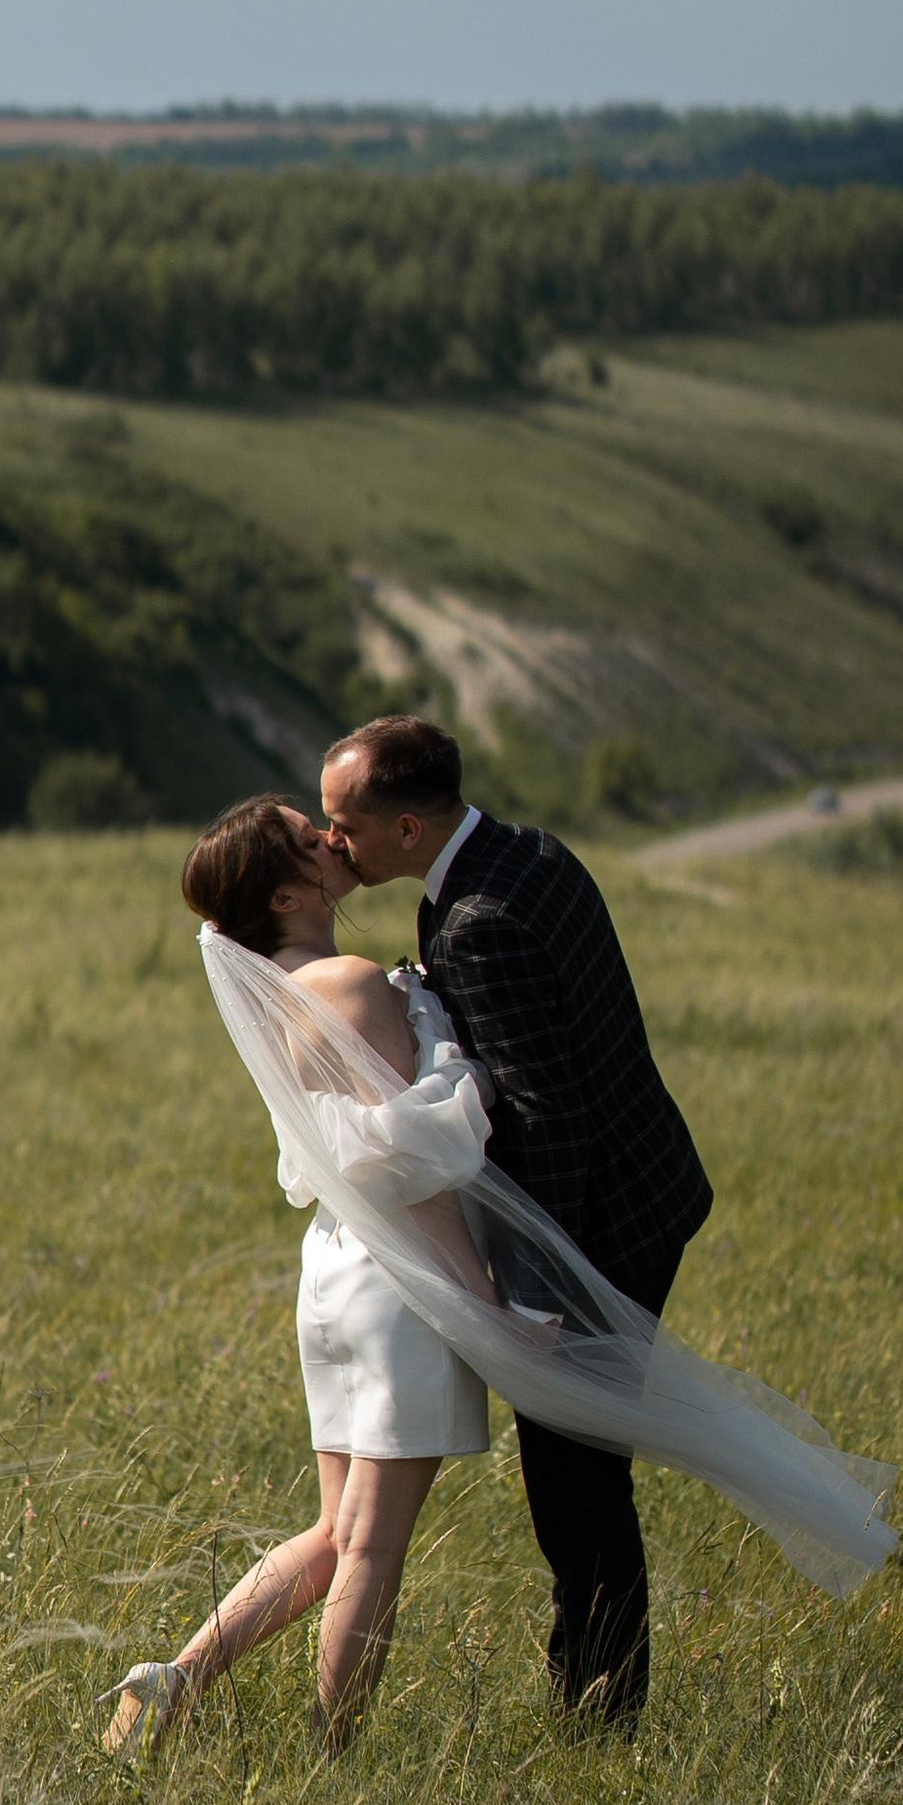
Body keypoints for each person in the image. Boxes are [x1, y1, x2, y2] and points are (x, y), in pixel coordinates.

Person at [317, 713, 708, 1729]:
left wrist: (540, 1302)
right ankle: (597, 1702)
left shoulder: (477, 921)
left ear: (407, 829)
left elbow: (548, 1121)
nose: (332, 842)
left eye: (344, 823)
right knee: (583, 1478)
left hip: (606, 1221)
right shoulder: (526, 849)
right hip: (645, 1183)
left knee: (577, 1487)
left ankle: (601, 1718)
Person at [103, 797, 497, 1759]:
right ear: (286, 895)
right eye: (308, 837)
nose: (332, 837)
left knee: (331, 1533)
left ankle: (172, 1681)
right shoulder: (349, 983)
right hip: (397, 1274)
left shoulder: (280, 993)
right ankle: (331, 1760)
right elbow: (407, 1170)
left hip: (331, 1270)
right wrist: (480, 1301)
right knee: (373, 1545)